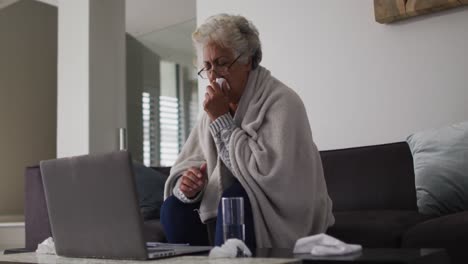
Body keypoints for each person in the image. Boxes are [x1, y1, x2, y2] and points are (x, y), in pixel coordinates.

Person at [160, 13, 334, 249]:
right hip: (237, 198)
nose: (213, 75)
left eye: (222, 63)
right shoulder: (211, 112)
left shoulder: (283, 102)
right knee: (173, 208)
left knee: (236, 199)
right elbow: (188, 164)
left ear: (249, 61)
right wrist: (188, 186)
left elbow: (267, 176)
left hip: (287, 209)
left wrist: (221, 120)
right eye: (208, 66)